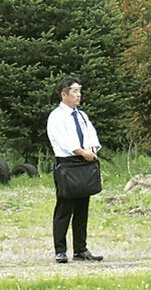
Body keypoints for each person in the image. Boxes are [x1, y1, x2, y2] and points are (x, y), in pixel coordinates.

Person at [46, 76, 103, 263]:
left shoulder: (81, 115)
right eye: (74, 91)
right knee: (64, 207)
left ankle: (81, 249)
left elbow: (91, 135)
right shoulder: (56, 116)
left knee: (82, 207)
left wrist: (92, 150)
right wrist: (80, 151)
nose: (79, 95)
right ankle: (60, 250)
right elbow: (63, 141)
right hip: (68, 164)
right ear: (64, 94)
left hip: (85, 163)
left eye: (79, 91)